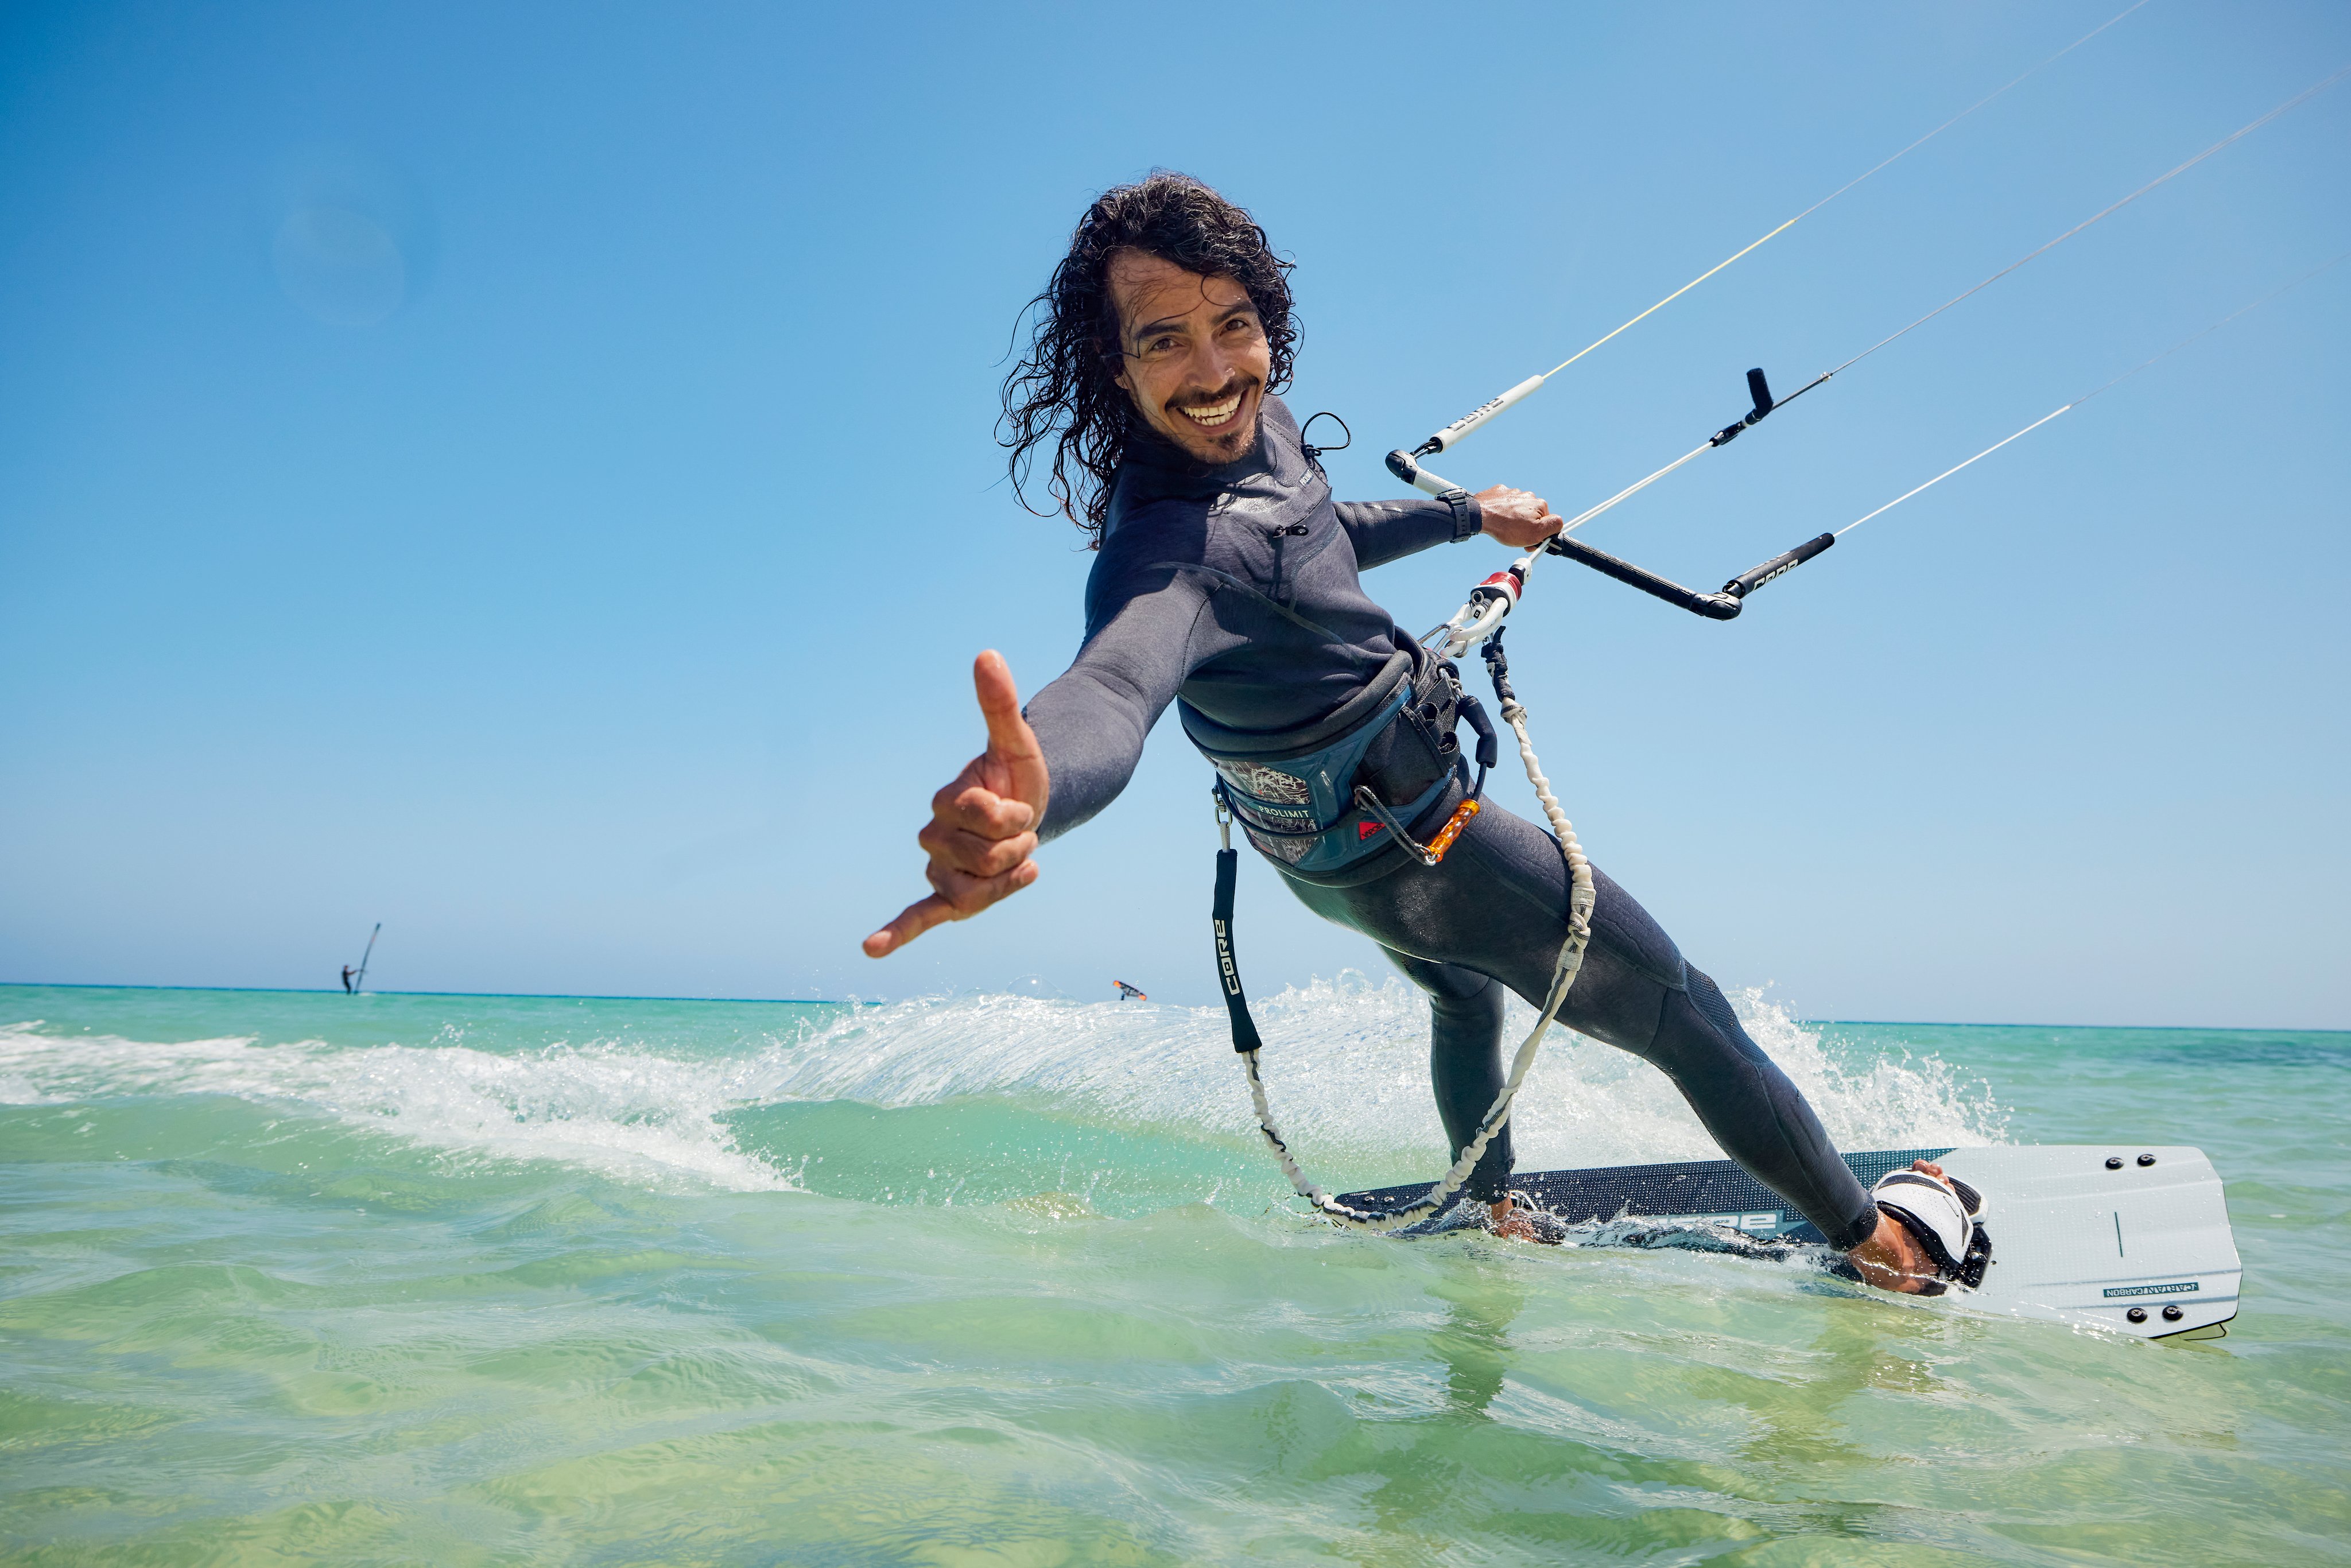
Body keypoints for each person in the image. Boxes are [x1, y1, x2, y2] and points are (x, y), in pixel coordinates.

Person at [864, 172, 1962, 1291]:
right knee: (1683, 1011)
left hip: (1319, 858)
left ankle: (1490, 1208)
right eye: (1163, 341)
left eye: (1231, 325)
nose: (1212, 372)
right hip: (1417, 846)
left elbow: (1314, 532)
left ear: (1262, 321)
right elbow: (1114, 683)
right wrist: (1030, 785)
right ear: (1114, 364)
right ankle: (1871, 1244)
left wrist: (1461, 517)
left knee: (1459, 990)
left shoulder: (1257, 427)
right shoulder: (1168, 552)